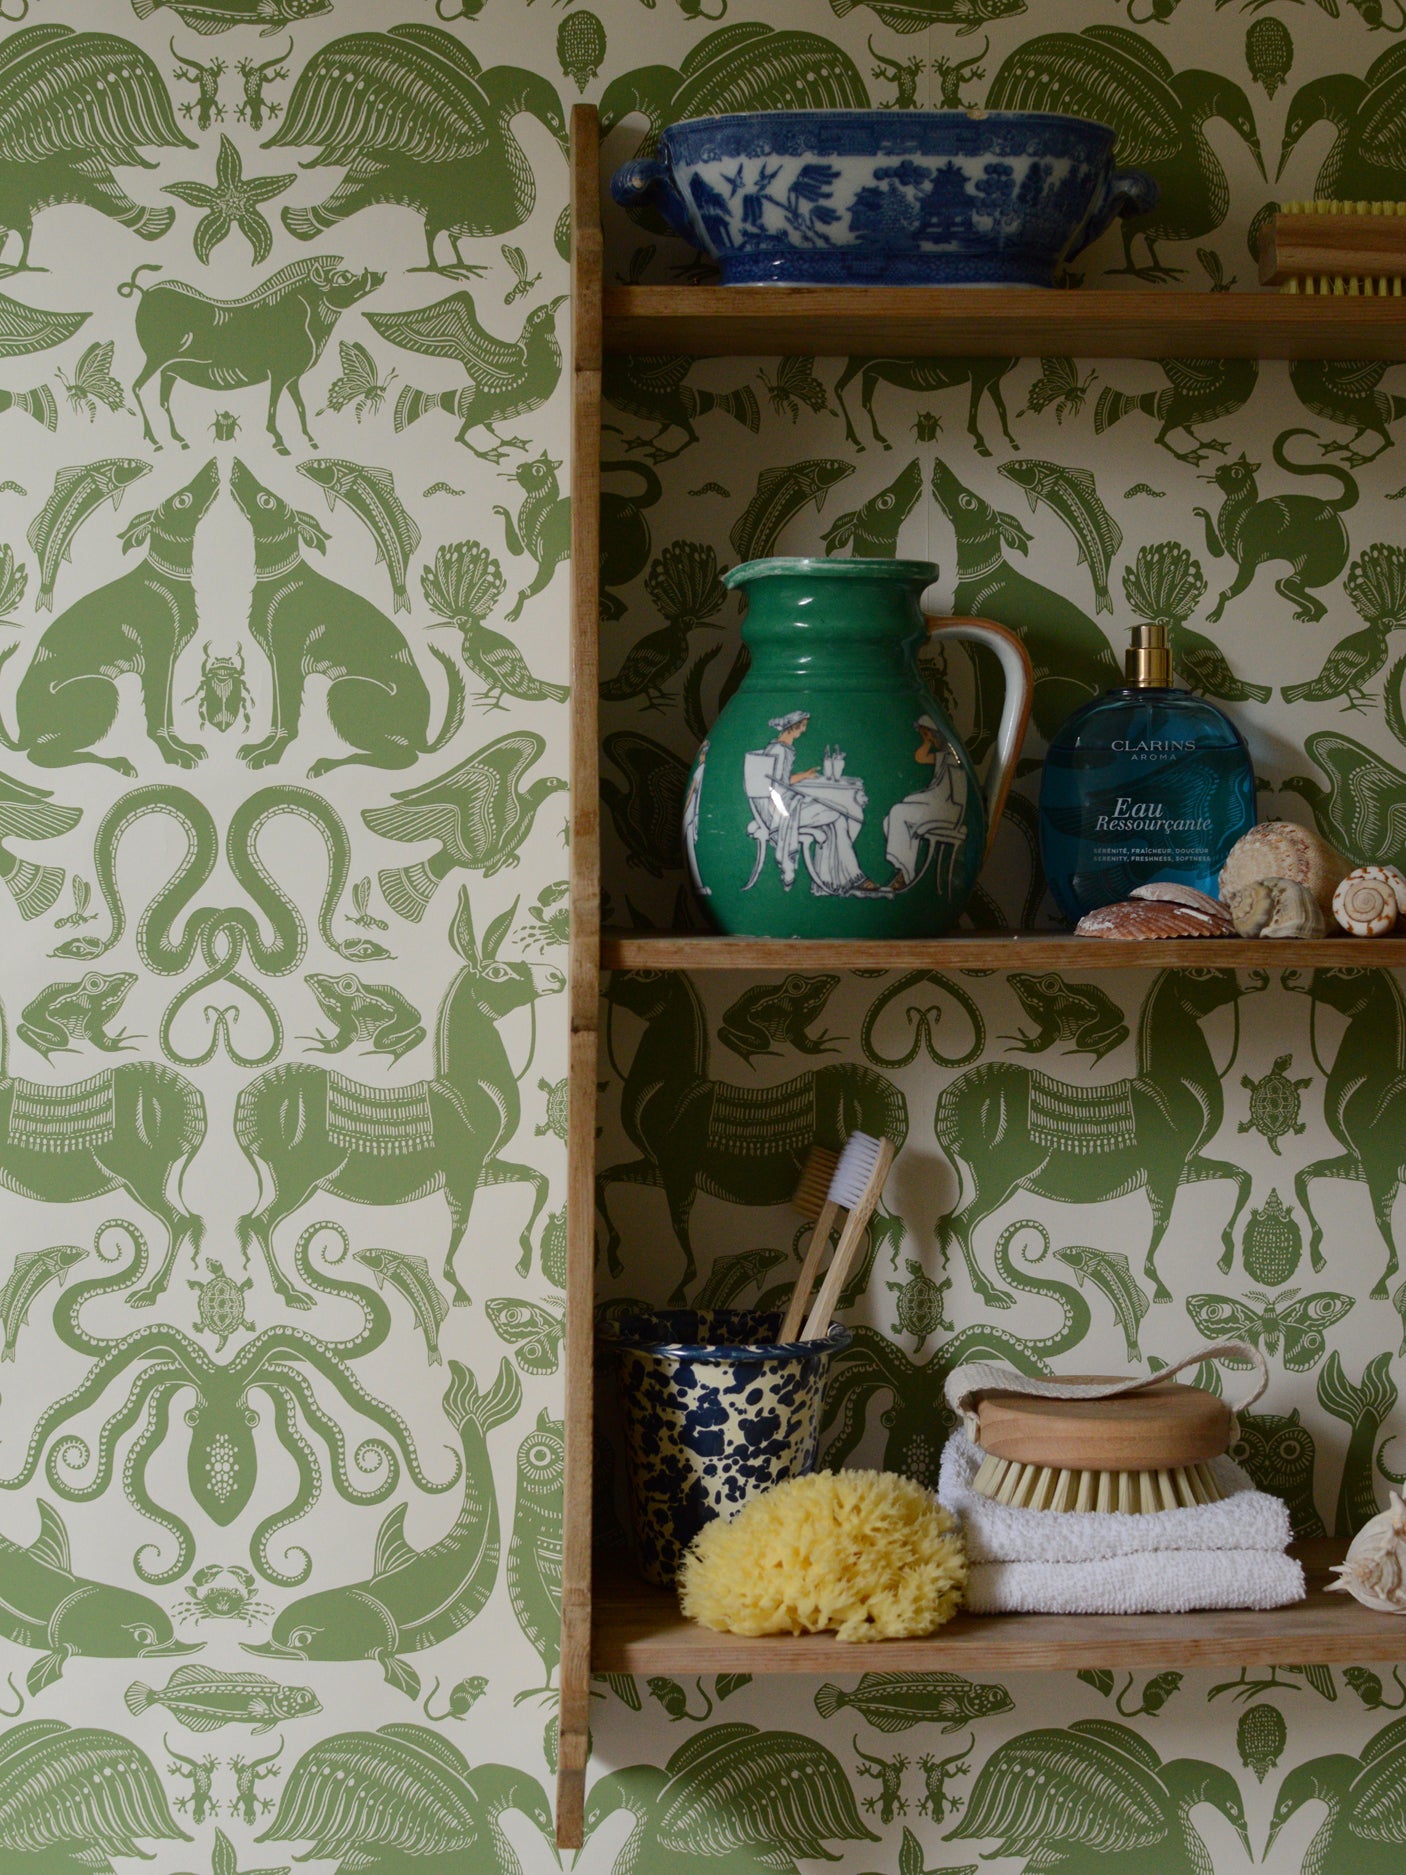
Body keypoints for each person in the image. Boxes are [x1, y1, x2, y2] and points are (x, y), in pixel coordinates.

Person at [745, 710, 871, 895]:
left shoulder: (780, 747)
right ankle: (847, 877)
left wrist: (804, 779)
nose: (803, 731)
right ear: (793, 727)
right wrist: (803, 778)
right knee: (837, 816)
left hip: (783, 805)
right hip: (780, 812)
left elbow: (780, 780)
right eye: (802, 726)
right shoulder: (780, 749)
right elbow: (779, 782)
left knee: (836, 815)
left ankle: (837, 879)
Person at [883, 714, 966, 892]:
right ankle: (904, 869)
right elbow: (920, 757)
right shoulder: (943, 756)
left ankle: (906, 873)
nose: (926, 739)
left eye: (927, 735)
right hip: (940, 805)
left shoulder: (950, 758)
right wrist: (927, 740)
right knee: (893, 817)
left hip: (948, 810)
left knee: (899, 812)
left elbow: (952, 795)